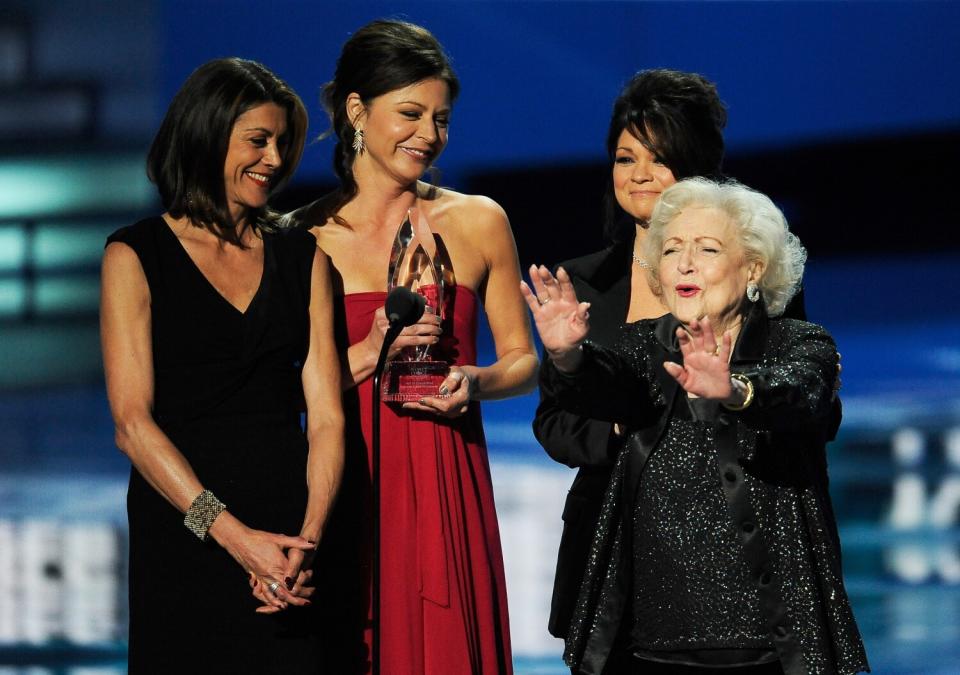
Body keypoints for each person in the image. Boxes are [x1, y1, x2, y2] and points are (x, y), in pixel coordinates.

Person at [522, 178, 868, 674]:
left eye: (706, 249)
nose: (684, 263)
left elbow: (801, 392)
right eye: (671, 250)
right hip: (648, 641)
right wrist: (568, 355)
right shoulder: (642, 346)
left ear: (753, 267)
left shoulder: (798, 341)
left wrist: (733, 390)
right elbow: (600, 385)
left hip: (769, 640)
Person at [283, 19, 538, 675]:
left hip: (445, 476)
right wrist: (369, 353)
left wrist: (474, 382)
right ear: (357, 111)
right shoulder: (299, 236)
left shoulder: (479, 220)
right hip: (344, 484)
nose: (429, 134)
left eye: (441, 118)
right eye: (411, 113)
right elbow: (277, 393)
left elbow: (522, 359)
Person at [531, 69, 813, 651]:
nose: (639, 176)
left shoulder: (750, 273)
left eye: (659, 159)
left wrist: (736, 394)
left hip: (741, 547)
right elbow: (555, 421)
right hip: (614, 551)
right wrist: (622, 428)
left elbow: (800, 395)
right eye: (624, 158)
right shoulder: (582, 282)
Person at [100, 58, 344, 672]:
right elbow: (132, 425)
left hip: (290, 536)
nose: (273, 157)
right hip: (186, 528)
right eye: (257, 140)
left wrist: (304, 543)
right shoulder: (136, 254)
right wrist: (237, 541)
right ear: (208, 135)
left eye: (282, 142)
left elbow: (327, 420)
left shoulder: (302, 258)